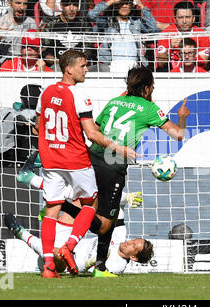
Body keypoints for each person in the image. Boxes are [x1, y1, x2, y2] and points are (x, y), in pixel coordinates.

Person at [34, 49, 138, 278]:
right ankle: (69, 247)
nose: (86, 69)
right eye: (83, 66)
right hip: (75, 159)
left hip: (51, 160)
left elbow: (37, 127)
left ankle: (49, 266)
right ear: (69, 69)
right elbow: (91, 134)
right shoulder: (79, 95)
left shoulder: (46, 93)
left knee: (51, 210)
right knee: (90, 205)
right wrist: (118, 148)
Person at [85, 65, 189, 276]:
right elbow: (178, 135)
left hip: (89, 158)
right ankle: (97, 265)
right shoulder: (150, 109)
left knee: (104, 215)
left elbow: (95, 128)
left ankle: (99, 266)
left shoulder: (114, 101)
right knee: (105, 223)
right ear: (148, 88)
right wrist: (182, 116)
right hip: (111, 166)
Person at [3, 190, 151, 276]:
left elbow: (94, 273)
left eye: (133, 246)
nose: (129, 242)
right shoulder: (120, 235)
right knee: (87, 201)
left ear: (133, 257)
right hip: (69, 239)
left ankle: (20, 233)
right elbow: (114, 207)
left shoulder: (118, 266)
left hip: (66, 264)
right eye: (133, 240)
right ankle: (54, 210)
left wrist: (91, 262)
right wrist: (127, 198)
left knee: (60, 254)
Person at [88, 0, 160, 73]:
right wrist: (111, 1)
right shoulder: (109, 22)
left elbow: (153, 29)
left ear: (132, 5)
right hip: (112, 65)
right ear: (116, 5)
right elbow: (91, 15)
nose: (124, 6)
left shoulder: (137, 22)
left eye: (128, 3)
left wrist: (142, 6)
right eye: (121, 3)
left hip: (134, 65)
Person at [41, 0, 96, 72]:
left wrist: (76, 63)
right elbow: (44, 51)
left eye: (75, 5)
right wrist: (61, 62)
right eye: (68, 5)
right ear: (61, 6)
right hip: (58, 66)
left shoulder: (84, 24)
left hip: (80, 66)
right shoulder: (52, 24)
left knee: (103, 68)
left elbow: (88, 49)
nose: (72, 8)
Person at [156, 1, 210, 72]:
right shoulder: (166, 34)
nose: (184, 21)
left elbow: (203, 63)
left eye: (187, 17)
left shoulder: (201, 35)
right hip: (171, 73)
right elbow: (161, 64)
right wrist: (169, 48)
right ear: (175, 19)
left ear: (193, 18)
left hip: (195, 73)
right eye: (181, 17)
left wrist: (189, 50)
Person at [0, 0, 37, 70]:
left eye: (25, 4)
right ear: (9, 3)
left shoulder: (31, 23)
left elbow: (36, 50)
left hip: (22, 66)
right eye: (18, 3)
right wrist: (0, 33)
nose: (22, 7)